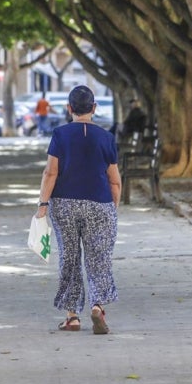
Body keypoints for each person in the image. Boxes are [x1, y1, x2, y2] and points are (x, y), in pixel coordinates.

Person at [36, 84, 121, 334]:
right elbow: (114, 179)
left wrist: (42, 204)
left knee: (69, 258)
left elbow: (51, 172)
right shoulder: (106, 138)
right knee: (99, 258)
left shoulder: (60, 135)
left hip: (65, 204)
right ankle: (97, 306)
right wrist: (112, 208)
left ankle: (72, 316)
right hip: (100, 203)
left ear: (69, 109)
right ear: (94, 108)